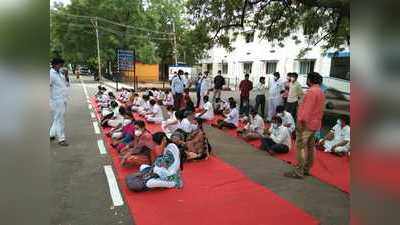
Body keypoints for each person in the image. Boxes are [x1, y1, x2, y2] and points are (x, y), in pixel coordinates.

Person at [284, 72, 325, 179]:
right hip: (315, 124)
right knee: (311, 147)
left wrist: (301, 122)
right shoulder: (320, 91)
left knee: (300, 147)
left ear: (310, 80)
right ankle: (306, 169)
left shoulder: (311, 92)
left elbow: (307, 110)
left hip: (306, 124)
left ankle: (299, 171)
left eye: (307, 79)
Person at [50, 57, 69, 146]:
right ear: (54, 65)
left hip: (63, 99)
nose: (60, 67)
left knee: (57, 118)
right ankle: (61, 139)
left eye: (61, 65)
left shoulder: (60, 74)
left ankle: (51, 133)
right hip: (56, 100)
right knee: (60, 119)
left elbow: (66, 85)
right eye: (59, 65)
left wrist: (66, 76)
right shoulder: (51, 74)